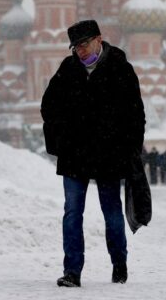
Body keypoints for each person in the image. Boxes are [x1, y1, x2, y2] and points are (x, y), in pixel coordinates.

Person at [41, 20, 145, 288]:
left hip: (109, 155)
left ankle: (119, 265)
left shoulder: (120, 69)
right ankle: (72, 271)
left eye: (84, 44)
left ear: (99, 39)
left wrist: (129, 148)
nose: (80, 51)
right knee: (72, 212)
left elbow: (135, 115)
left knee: (111, 212)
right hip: (74, 155)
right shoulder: (68, 69)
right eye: (75, 47)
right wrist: (59, 141)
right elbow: (49, 107)